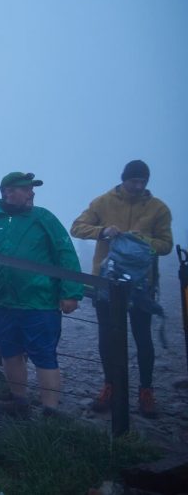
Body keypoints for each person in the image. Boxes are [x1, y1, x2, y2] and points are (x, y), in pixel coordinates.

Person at [0, 172, 84, 417]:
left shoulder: (44, 218)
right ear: (7, 192)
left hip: (40, 302)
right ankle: (19, 401)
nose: (31, 193)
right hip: (1, 301)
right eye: (24, 189)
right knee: (9, 351)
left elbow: (65, 252)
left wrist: (72, 292)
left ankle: (51, 410)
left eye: (31, 189)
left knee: (44, 354)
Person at [70, 160, 173, 418]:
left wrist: (143, 241)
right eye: (134, 181)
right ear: (124, 179)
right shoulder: (103, 202)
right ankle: (110, 387)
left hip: (141, 285)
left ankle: (146, 392)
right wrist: (103, 231)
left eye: (143, 182)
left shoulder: (158, 208)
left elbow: (166, 245)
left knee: (143, 338)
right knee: (107, 337)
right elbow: (77, 227)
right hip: (105, 282)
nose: (138, 186)